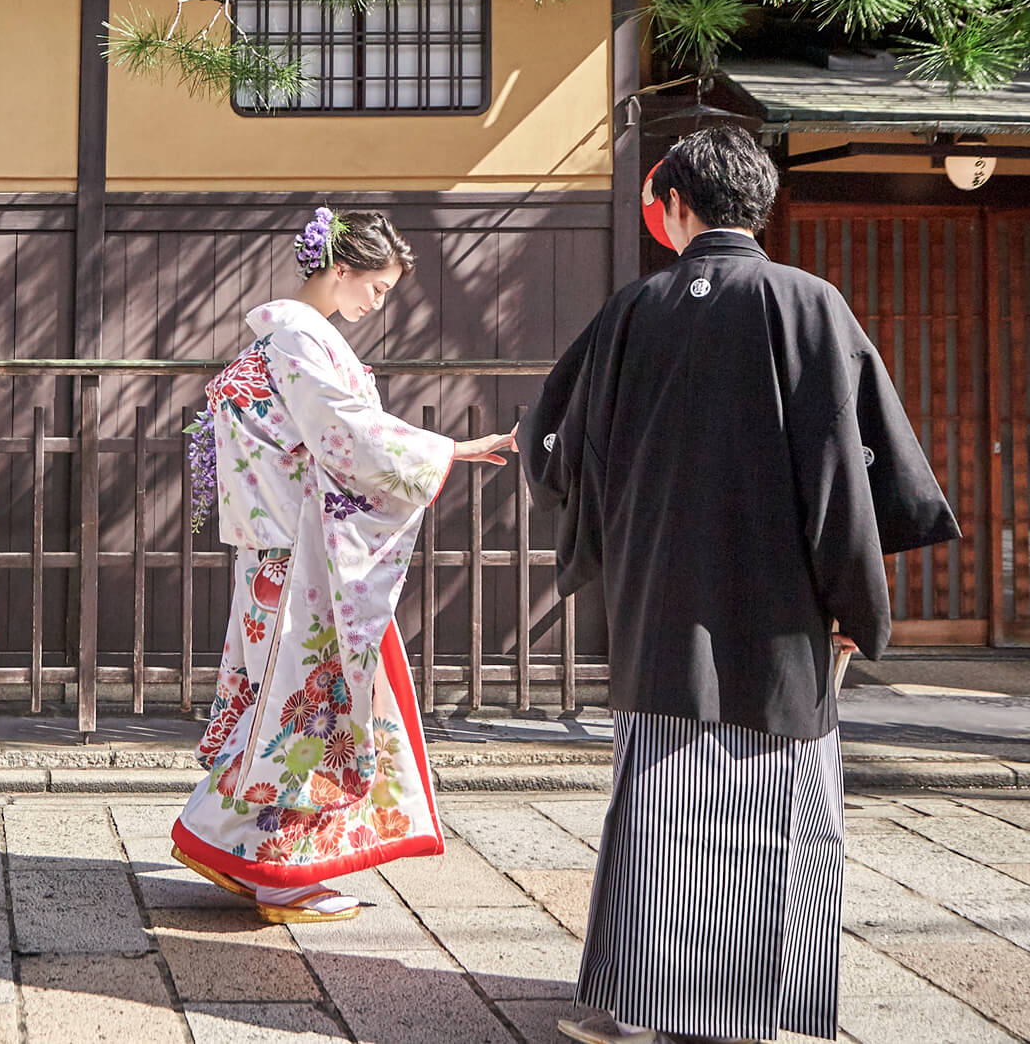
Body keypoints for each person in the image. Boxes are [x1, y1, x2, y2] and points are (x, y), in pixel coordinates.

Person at [520, 126, 961, 1044]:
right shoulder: (808, 304)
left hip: (657, 608)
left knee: (659, 803)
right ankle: (747, 1012)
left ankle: (642, 1008)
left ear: (675, 207)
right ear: (759, 206)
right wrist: (854, 600)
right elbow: (849, 462)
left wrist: (613, 537)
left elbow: (555, 446)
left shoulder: (632, 312)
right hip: (777, 611)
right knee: (770, 804)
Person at [169, 207, 516, 924]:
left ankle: (221, 839)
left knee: (285, 698)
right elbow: (347, 435)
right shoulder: (299, 339)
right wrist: (446, 451)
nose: (375, 304)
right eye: (377, 288)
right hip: (305, 557)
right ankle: (282, 875)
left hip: (286, 548)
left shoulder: (286, 338)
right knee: (309, 703)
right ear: (341, 270)